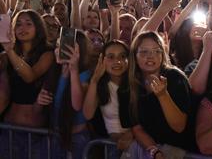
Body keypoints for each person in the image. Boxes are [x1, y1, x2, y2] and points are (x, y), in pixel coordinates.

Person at [119, 31, 192, 158]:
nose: (150, 56)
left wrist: (163, 95)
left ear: (162, 54)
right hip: (148, 148)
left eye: (156, 51)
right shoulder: (127, 86)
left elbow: (179, 126)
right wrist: (155, 152)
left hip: (178, 149)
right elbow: (137, 128)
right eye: (144, 52)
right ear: (134, 56)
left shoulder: (175, 78)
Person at [0, 9, 54, 158]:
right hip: (9, 129)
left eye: (28, 24)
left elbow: (30, 76)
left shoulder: (48, 53)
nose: (22, 28)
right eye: (18, 25)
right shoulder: (6, 56)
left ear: (38, 27)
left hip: (36, 134)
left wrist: (10, 52)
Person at [36, 30, 92, 159]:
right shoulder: (53, 71)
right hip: (53, 135)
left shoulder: (85, 75)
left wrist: (73, 69)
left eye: (67, 46)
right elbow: (40, 107)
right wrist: (40, 100)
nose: (60, 50)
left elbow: (77, 105)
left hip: (76, 139)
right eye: (58, 45)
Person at [83, 40, 133, 158]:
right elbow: (88, 114)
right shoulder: (100, 84)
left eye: (122, 56)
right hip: (111, 146)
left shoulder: (135, 84)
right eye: (111, 57)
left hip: (136, 144)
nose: (118, 61)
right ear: (102, 60)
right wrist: (95, 80)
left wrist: (131, 134)